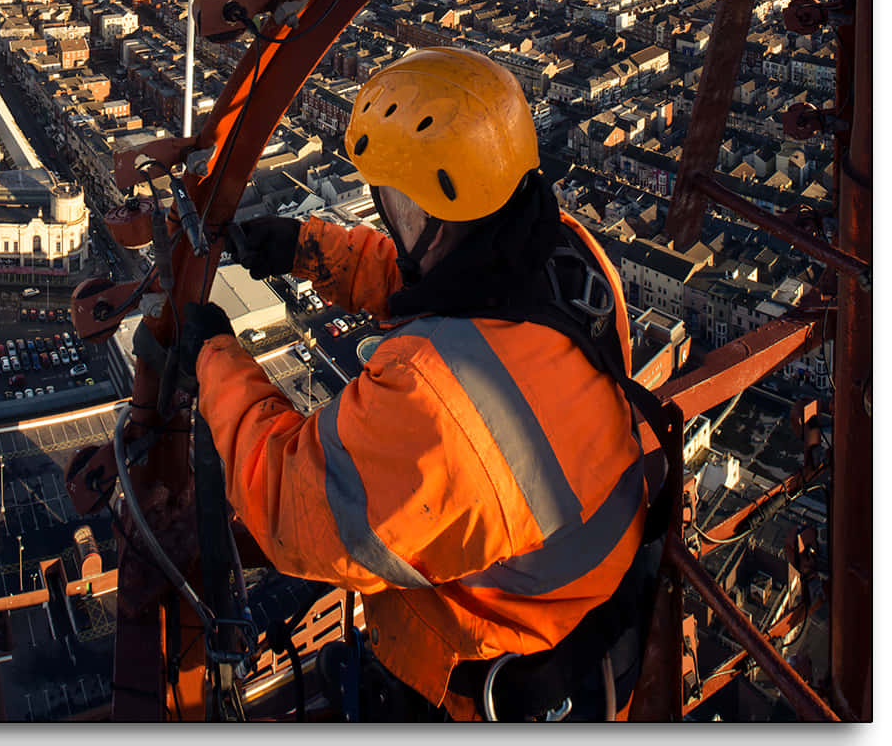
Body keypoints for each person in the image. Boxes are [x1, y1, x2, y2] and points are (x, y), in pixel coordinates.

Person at [185, 47, 657, 720]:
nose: (386, 217)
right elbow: (444, 281)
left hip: (486, 670)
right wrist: (305, 248)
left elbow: (290, 502)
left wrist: (212, 356)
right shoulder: (570, 261)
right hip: (582, 612)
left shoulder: (436, 395)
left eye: (396, 204)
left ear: (441, 207)